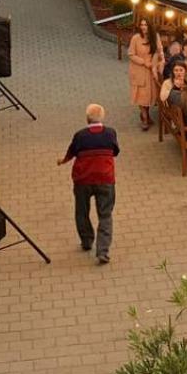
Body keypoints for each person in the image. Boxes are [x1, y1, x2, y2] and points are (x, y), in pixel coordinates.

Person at [59, 103, 120, 265]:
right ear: (103, 118)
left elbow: (72, 152)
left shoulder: (80, 135)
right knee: (105, 215)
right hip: (105, 179)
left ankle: (86, 241)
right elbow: (115, 152)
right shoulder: (110, 133)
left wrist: (63, 161)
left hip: (83, 179)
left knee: (81, 211)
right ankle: (103, 251)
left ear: (87, 119)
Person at [127, 19, 163, 131]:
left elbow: (159, 50)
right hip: (139, 70)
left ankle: (146, 114)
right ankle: (144, 118)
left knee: (149, 95)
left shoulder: (155, 36)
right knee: (141, 95)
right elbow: (131, 54)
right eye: (142, 25)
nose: (143, 27)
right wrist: (143, 62)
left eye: (145, 25)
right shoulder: (136, 38)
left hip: (151, 70)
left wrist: (158, 63)